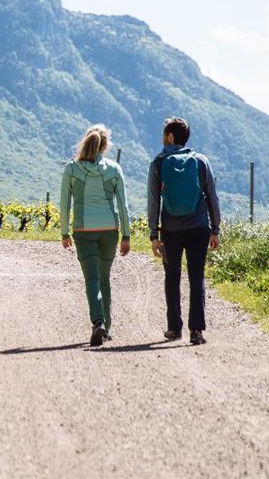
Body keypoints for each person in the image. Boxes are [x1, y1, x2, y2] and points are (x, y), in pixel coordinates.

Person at [146, 117, 220, 345]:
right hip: (199, 227)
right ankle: (196, 331)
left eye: (163, 134)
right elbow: (212, 196)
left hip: (171, 230)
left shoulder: (158, 163)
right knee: (196, 277)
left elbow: (153, 201)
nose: (162, 138)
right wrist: (215, 229)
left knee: (172, 276)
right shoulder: (200, 161)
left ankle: (174, 328)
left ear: (169, 137)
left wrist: (153, 234)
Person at [58, 124, 132, 347]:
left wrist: (64, 232)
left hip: (83, 230)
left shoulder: (72, 169)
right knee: (104, 278)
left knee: (92, 279)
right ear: (105, 146)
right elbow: (123, 205)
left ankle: (98, 322)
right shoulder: (114, 169)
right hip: (110, 230)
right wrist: (126, 235)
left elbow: (64, 204)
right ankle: (105, 327)